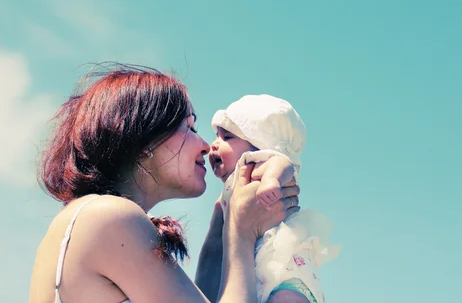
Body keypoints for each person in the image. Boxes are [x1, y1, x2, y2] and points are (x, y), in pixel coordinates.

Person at [29, 65, 300, 303]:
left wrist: (221, 236)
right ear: (143, 136)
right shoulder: (108, 216)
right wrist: (243, 233)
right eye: (190, 127)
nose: (206, 146)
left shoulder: (90, 217)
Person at [210, 94, 340, 303]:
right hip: (258, 276)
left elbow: (283, 164)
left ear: (259, 144)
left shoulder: (257, 163)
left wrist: (271, 180)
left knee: (285, 297)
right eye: (217, 136)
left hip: (283, 267)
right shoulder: (230, 190)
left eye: (227, 137)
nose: (214, 145)